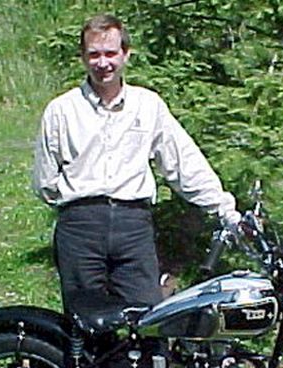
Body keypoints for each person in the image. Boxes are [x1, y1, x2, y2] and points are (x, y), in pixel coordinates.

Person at [33, 14, 240, 313]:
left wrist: (223, 208)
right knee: (85, 323)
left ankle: (143, 363)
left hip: (133, 227)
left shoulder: (148, 105)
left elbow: (183, 163)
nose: (103, 63)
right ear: (83, 57)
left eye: (110, 53)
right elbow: (45, 180)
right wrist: (79, 206)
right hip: (80, 227)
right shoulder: (61, 111)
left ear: (125, 54)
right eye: (94, 54)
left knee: (148, 318)